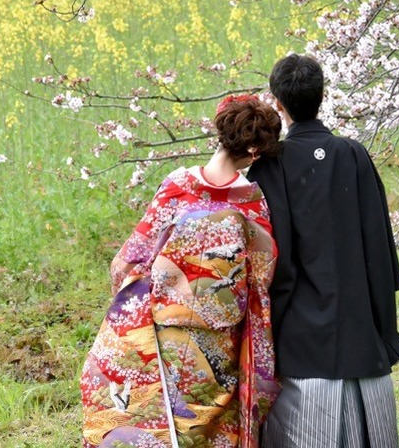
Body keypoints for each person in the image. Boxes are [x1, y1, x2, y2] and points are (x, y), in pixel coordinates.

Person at [81, 94, 283, 448]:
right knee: (211, 430)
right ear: (254, 152)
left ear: (220, 135)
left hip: (165, 330)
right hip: (220, 340)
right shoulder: (252, 202)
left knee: (161, 423)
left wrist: (140, 296)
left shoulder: (177, 186)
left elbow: (129, 260)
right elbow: (262, 275)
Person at [248, 54, 399, 448]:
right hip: (362, 340)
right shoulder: (353, 155)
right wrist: (383, 331)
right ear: (323, 95)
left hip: (302, 351)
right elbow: (379, 250)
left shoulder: (271, 167)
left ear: (278, 103)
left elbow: (274, 267)